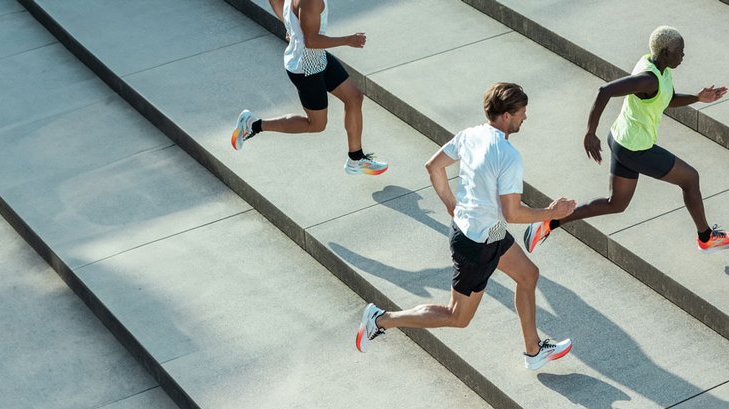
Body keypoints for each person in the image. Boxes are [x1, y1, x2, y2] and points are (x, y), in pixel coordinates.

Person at [356, 83, 577, 371]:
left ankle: (533, 351)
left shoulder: (470, 135)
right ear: (508, 115)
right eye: (523, 112)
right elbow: (512, 212)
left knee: (528, 275)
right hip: (476, 245)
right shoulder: (508, 156)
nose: (525, 117)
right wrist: (550, 213)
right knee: (457, 316)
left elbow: (433, 167)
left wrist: (450, 204)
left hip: (487, 230)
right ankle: (380, 319)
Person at [524, 25, 729, 255]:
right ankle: (706, 238)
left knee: (615, 204)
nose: (683, 55)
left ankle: (549, 221)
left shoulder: (659, 68)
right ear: (666, 53)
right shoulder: (648, 79)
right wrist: (589, 132)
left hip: (621, 140)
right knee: (690, 178)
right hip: (636, 149)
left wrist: (697, 97)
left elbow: (666, 99)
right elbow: (604, 91)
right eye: (680, 51)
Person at [229, 0, 388, 176]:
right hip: (306, 67)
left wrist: (291, 27)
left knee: (354, 97)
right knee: (316, 124)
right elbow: (312, 41)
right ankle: (253, 125)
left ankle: (356, 159)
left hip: (317, 58)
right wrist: (348, 40)